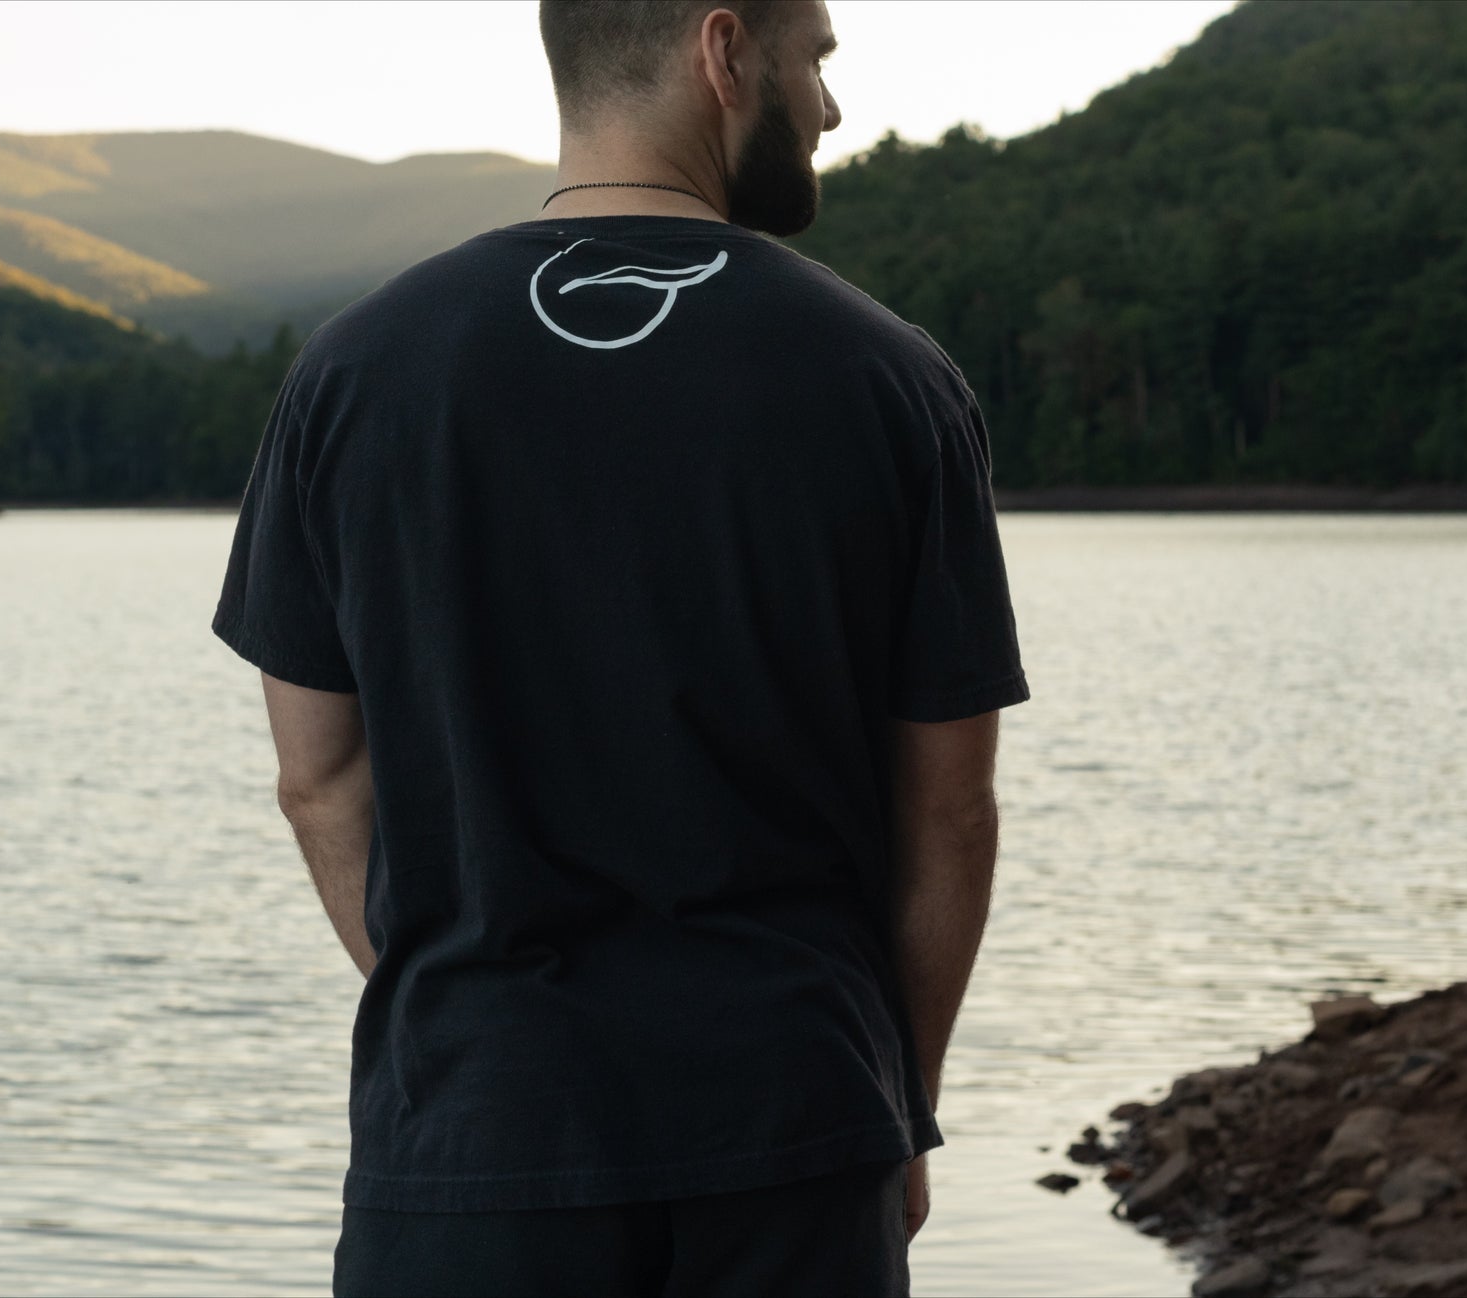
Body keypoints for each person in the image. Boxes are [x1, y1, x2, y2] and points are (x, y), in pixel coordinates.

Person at [210, 1, 1029, 1293]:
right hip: (792, 1128)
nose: (828, 107)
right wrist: (896, 1096)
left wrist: (476, 1015)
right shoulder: (888, 377)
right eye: (813, 60)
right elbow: (952, 813)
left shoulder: (354, 372)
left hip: (472, 1137)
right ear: (722, 52)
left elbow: (317, 777)